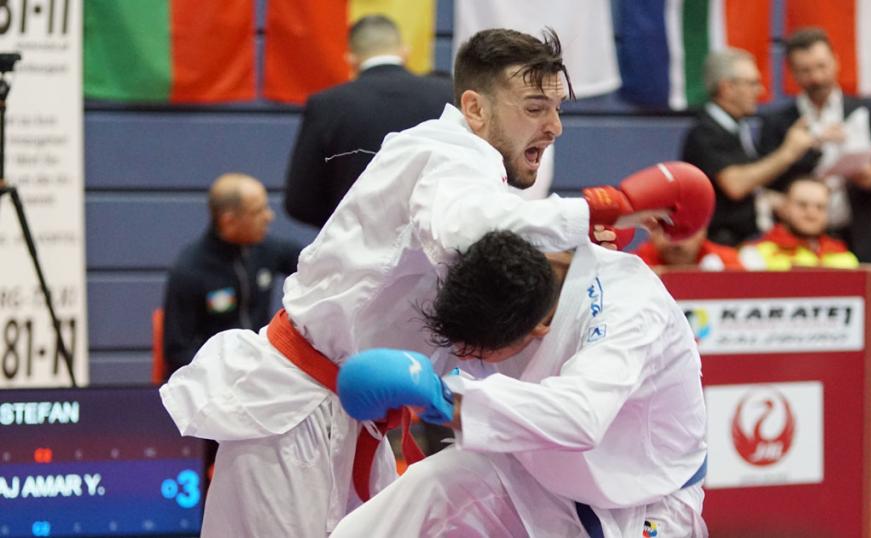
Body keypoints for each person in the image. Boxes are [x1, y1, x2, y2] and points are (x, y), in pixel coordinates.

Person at [160, 28, 712, 537]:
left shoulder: (587, 273)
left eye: (558, 109)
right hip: (299, 409)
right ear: (474, 108)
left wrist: (580, 239)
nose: (554, 127)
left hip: (375, 416)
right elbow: (464, 227)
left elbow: (570, 403)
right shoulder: (447, 155)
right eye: (535, 108)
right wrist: (593, 211)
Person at [331, 230, 708, 537]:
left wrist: (445, 399)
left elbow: (580, 417)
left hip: (643, 496)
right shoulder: (521, 248)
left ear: (540, 326)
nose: (464, 359)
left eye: (479, 352)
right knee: (429, 485)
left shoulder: (630, 310)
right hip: (537, 471)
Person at [740, 178, 871, 446]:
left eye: (819, 207)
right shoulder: (755, 256)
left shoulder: (844, 257)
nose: (811, 212)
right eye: (802, 205)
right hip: (785, 359)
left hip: (852, 350)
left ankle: (867, 442)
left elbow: (866, 314)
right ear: (784, 208)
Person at [283, 14, 454, 228]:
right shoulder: (447, 94)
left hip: (355, 249)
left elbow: (299, 203)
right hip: (435, 243)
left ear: (351, 60)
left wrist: (348, 226)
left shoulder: (326, 104)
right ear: (405, 52)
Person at [759, 27, 871, 271]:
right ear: (792, 73)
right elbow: (772, 182)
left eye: (821, 66)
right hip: (797, 244)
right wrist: (812, 146)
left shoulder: (868, 112)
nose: (816, 77)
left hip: (860, 236)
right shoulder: (778, 122)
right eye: (805, 71)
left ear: (836, 62)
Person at [161, 172, 301, 380]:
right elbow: (178, 351)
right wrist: (228, 374)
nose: (269, 216)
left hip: (264, 373)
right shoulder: (189, 271)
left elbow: (313, 263)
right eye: (258, 211)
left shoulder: (267, 250)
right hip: (217, 383)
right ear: (229, 221)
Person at [681, 47, 817, 246]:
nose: (760, 91)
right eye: (752, 83)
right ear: (727, 88)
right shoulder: (705, 132)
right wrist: (788, 153)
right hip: (719, 248)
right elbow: (736, 185)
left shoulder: (736, 128)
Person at [633, 223, 743, 273]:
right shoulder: (636, 263)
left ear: (702, 232)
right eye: (667, 231)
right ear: (651, 233)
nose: (676, 242)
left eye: (684, 232)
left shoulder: (726, 260)